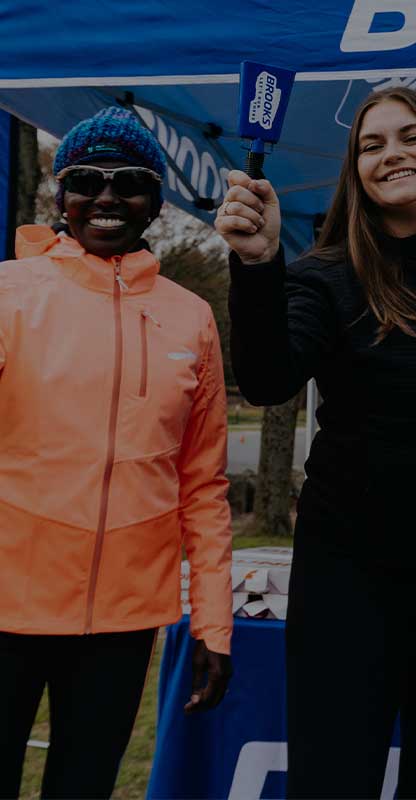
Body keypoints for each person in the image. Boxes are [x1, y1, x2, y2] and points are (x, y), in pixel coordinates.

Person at [215, 86, 416, 798]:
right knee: (333, 781)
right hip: (351, 581)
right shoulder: (327, 272)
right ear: (354, 171)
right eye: (371, 145)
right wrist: (257, 264)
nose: (393, 154)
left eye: (411, 137)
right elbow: (266, 378)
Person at [0, 106, 233, 799]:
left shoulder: (190, 315)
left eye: (129, 181)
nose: (106, 197)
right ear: (59, 197)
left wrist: (212, 625)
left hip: (123, 621)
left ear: (156, 202)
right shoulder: (8, 294)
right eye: (86, 180)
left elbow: (204, 486)